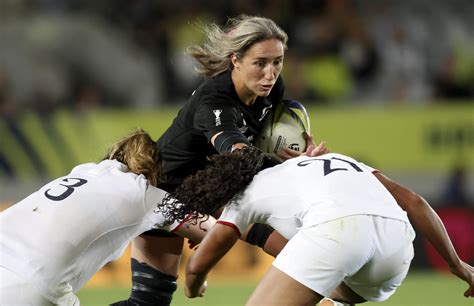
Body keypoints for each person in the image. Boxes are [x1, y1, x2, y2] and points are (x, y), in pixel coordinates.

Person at [113, 15, 329, 306]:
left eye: (277, 62)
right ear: (235, 60)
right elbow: (239, 157)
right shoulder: (214, 103)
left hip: (213, 189)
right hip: (163, 194)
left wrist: (289, 155)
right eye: (260, 63)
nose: (271, 74)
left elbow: (259, 145)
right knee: (293, 252)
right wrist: (295, 165)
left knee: (149, 302)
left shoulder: (270, 90)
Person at [161, 147, 474, 306]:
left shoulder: (245, 196)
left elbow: (195, 267)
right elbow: (415, 202)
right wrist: (457, 264)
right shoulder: (337, 159)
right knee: (325, 282)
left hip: (337, 232)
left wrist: (194, 286)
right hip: (395, 254)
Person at [0, 129, 214, 306]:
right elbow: (215, 230)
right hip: (31, 283)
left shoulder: (82, 172)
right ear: (154, 173)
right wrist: (199, 272)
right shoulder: (144, 193)